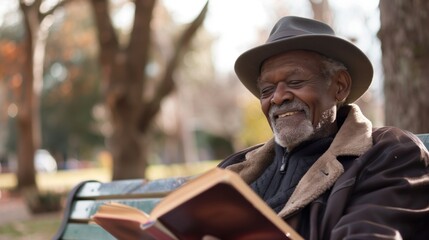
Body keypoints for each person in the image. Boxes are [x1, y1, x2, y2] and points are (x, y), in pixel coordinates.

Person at [218, 16, 429, 240]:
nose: (277, 98)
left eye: (295, 82)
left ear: (340, 87)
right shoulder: (233, 169)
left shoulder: (389, 153)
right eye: (267, 90)